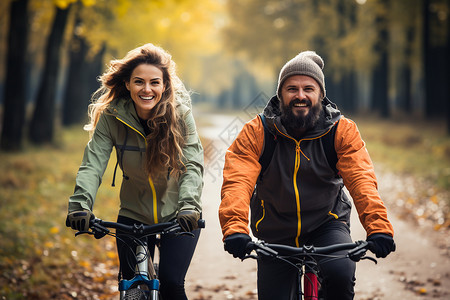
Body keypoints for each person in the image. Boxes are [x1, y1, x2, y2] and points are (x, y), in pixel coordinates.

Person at [218, 51, 395, 300]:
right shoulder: (257, 131)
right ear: (280, 95)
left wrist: (378, 228)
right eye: (292, 88)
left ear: (320, 95)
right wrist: (235, 228)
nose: (300, 96)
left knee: (340, 275)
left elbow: (362, 179)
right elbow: (237, 181)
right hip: (275, 228)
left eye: (308, 89)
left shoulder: (342, 130)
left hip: (327, 223)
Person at [66, 43, 204, 299]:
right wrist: (80, 205)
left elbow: (192, 164)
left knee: (172, 284)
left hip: (179, 213)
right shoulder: (112, 116)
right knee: (130, 284)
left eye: (155, 82)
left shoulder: (181, 115)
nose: (147, 89)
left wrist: (189, 206)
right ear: (127, 84)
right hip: (133, 213)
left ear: (165, 86)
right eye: (139, 82)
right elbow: (93, 162)